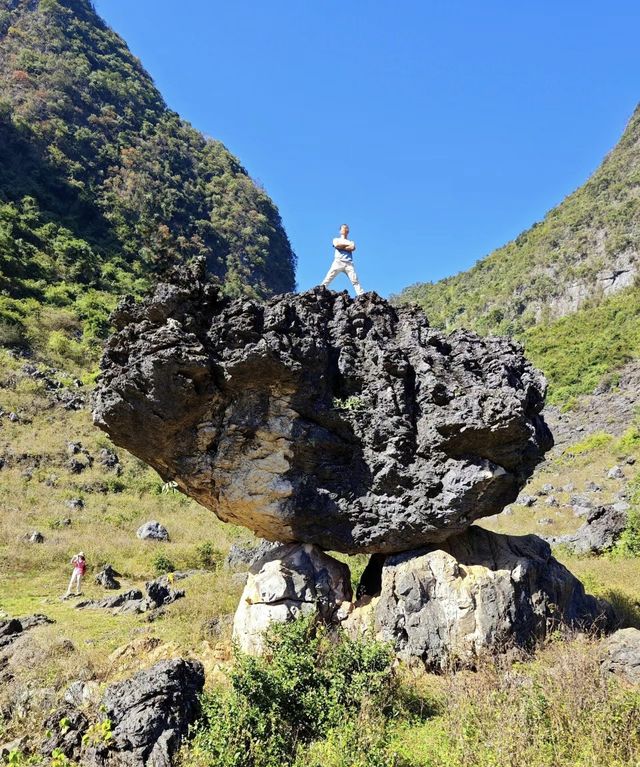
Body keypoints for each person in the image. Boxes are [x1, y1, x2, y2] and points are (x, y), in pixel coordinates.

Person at [321, 224, 364, 296]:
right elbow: (337, 245)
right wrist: (346, 246)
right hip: (338, 261)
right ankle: (320, 291)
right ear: (340, 231)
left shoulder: (351, 241)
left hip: (349, 263)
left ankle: (362, 295)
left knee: (355, 280)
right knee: (329, 277)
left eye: (347, 228)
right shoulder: (336, 239)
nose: (346, 229)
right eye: (344, 228)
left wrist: (341, 247)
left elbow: (353, 248)